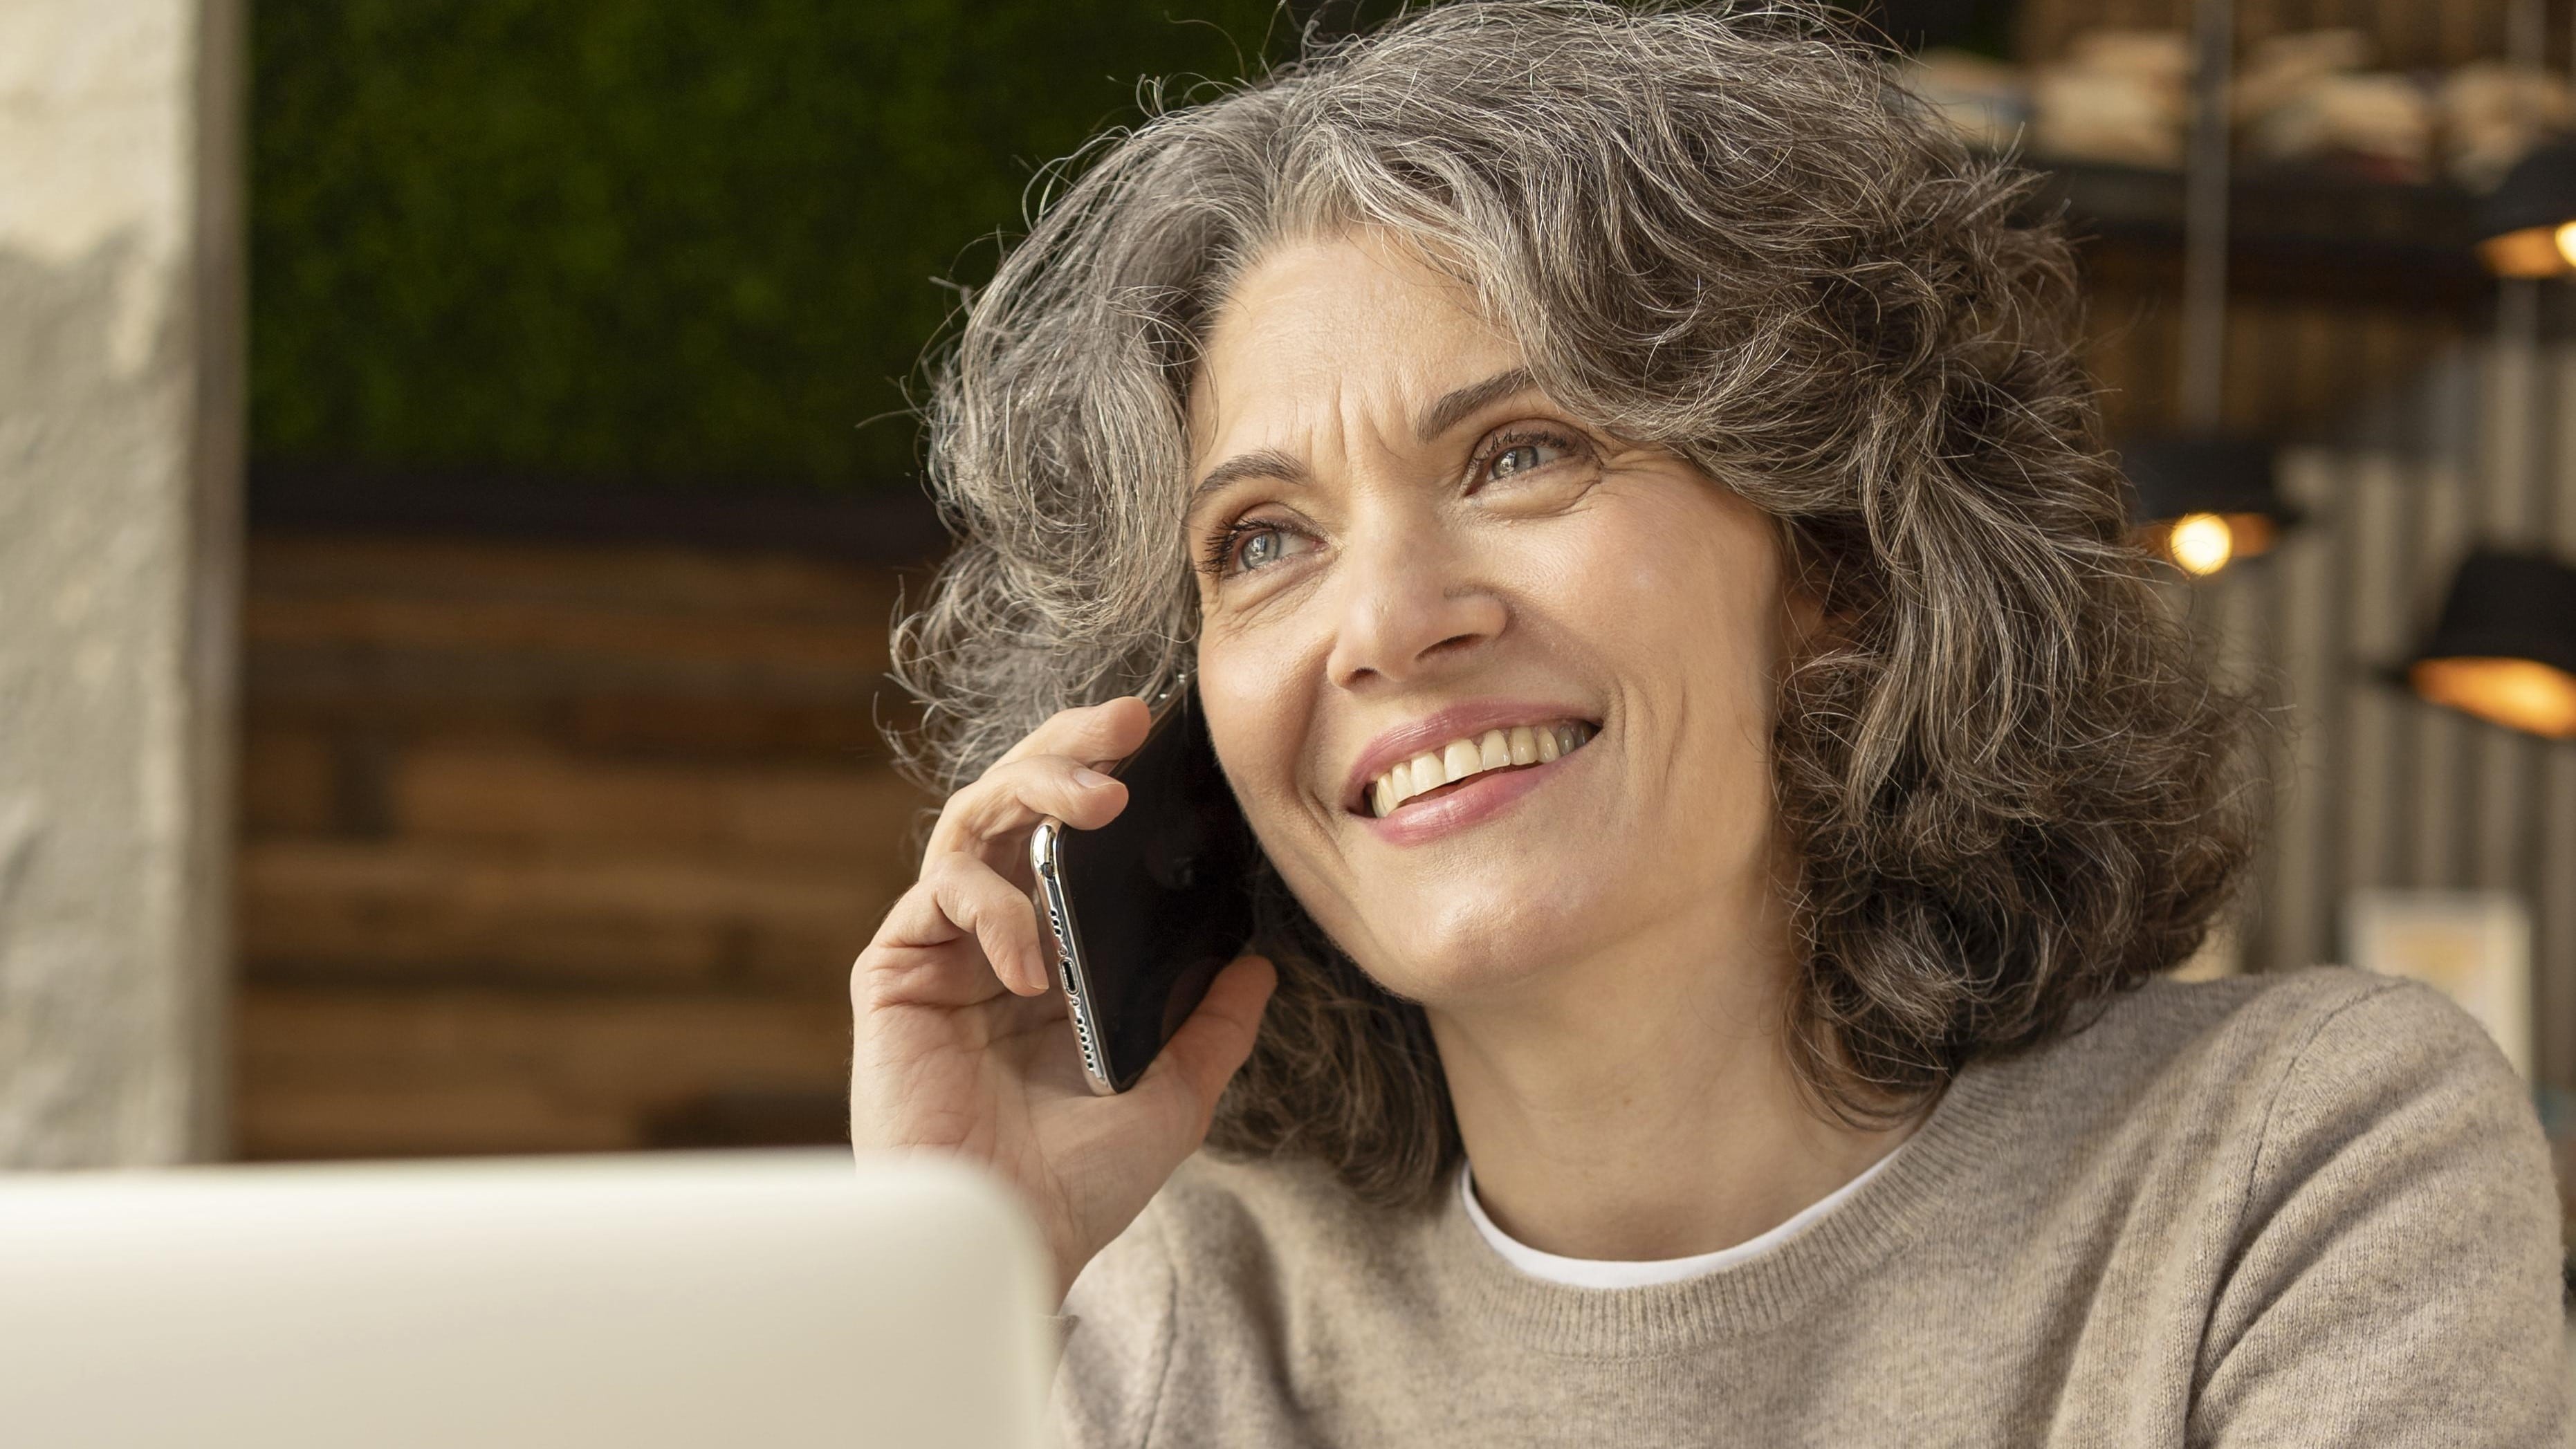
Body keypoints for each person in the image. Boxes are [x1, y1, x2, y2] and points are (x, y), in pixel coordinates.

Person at [848, 3, 2567, 1442]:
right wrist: (945, 1290)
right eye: (1263, 541)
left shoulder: (2287, 1165)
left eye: (1520, 452)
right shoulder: (1173, 1311)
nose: (1383, 621)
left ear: (1832, 555)